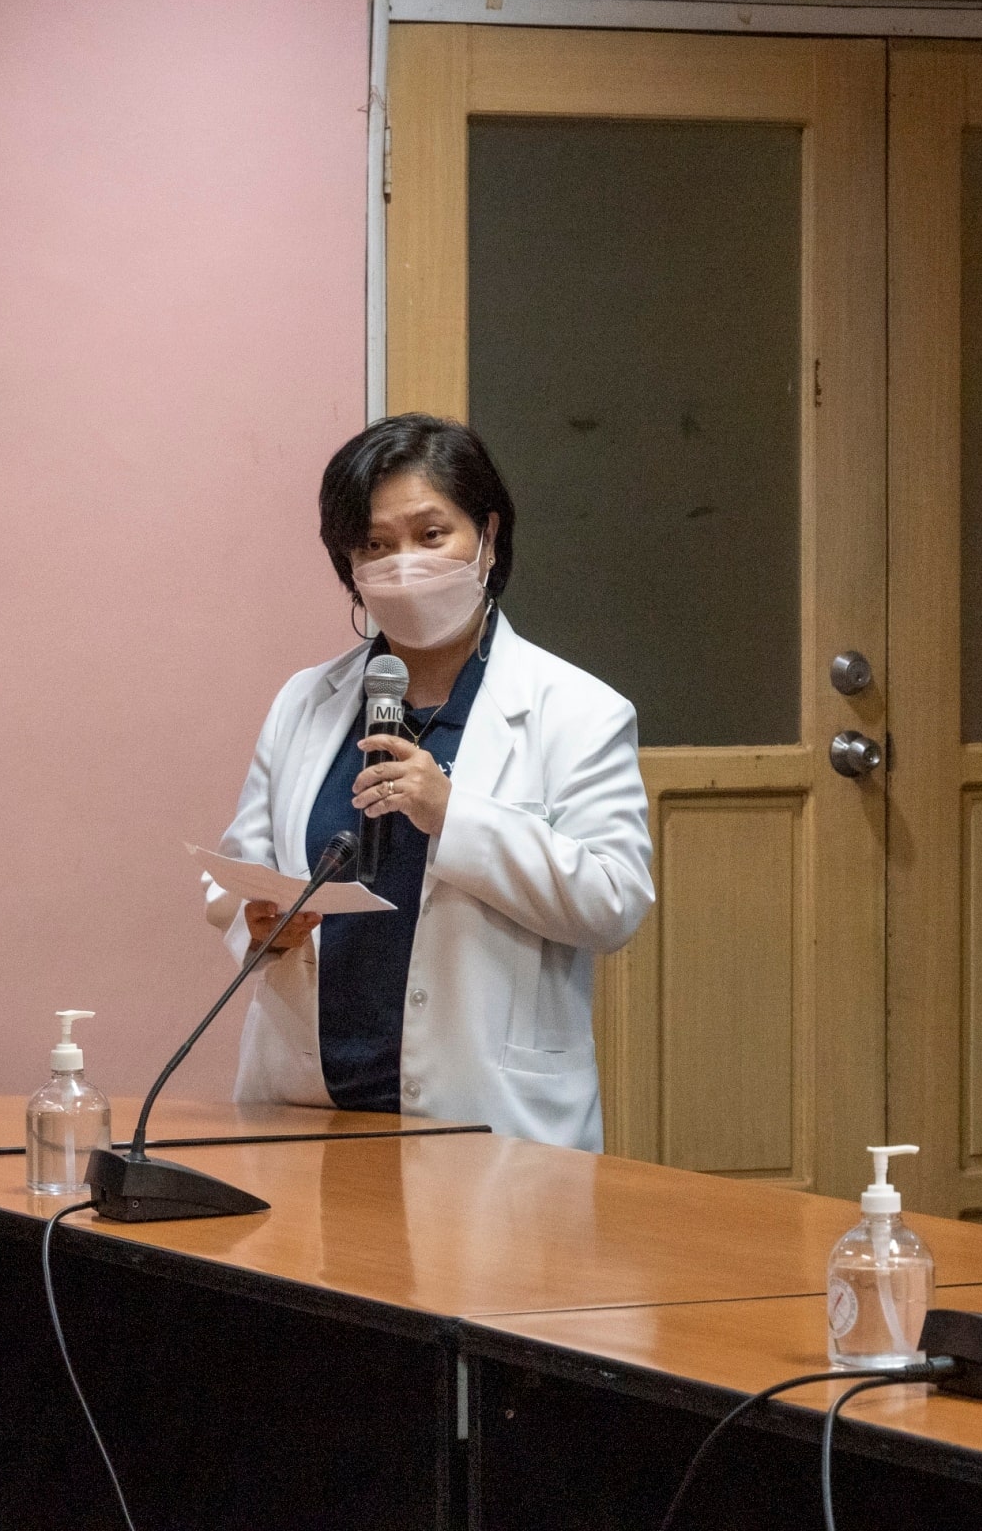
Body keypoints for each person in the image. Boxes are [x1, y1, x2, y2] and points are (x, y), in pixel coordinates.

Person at [204, 414, 653, 1150]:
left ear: (488, 535)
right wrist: (254, 922)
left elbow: (613, 903)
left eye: (430, 535)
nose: (403, 565)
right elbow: (243, 868)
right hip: (305, 1103)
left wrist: (453, 813)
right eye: (375, 546)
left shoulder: (576, 710)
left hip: (485, 1114)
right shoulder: (305, 701)